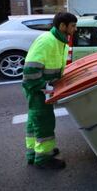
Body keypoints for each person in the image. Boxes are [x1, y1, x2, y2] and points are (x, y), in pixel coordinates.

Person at [22, 12, 77, 170]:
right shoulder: (47, 41)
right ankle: (43, 158)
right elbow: (30, 71)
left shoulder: (60, 41)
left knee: (35, 120)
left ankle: (33, 153)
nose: (75, 29)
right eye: (72, 26)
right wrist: (45, 87)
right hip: (37, 88)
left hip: (41, 87)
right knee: (44, 122)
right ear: (62, 26)